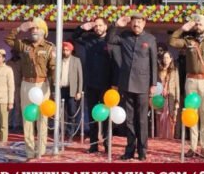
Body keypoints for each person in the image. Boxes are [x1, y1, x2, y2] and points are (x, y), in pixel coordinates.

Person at [169, 15, 204, 158]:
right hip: (191, 81)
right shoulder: (188, 41)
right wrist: (183, 28)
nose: (198, 26)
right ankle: (193, 147)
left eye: (201, 23)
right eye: (196, 24)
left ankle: (203, 146)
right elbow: (172, 41)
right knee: (191, 115)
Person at [108, 13, 157, 161]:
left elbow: (153, 62)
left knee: (142, 119)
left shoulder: (150, 39)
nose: (136, 25)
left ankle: (142, 151)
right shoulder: (124, 36)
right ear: (131, 24)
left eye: (139, 22)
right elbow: (109, 39)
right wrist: (116, 25)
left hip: (143, 84)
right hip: (127, 83)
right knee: (129, 119)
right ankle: (129, 150)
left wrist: (153, 84)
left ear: (144, 23)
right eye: (134, 22)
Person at [4, 18, 55, 160]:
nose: (34, 31)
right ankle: (29, 151)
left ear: (44, 31)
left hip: (42, 84)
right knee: (27, 118)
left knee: (42, 119)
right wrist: (20, 28)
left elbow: (53, 69)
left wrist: (54, 88)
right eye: (32, 29)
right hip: (26, 84)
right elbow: (8, 39)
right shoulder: (24, 45)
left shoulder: (49, 47)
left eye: (37, 28)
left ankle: (41, 150)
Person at [72, 18, 117, 153]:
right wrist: (82, 27)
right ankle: (93, 145)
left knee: (106, 117)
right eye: (95, 26)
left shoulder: (111, 40)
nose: (97, 28)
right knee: (92, 116)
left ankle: (107, 144)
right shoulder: (89, 38)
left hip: (107, 85)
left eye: (100, 25)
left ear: (106, 26)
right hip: (91, 83)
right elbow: (74, 37)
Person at [60, 42, 83, 141]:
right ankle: (60, 132)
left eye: (67, 50)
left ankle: (70, 134)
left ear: (71, 50)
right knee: (60, 113)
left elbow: (80, 77)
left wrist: (79, 91)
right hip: (61, 89)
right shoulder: (58, 60)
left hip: (72, 90)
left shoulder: (76, 60)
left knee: (71, 112)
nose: (65, 52)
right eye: (64, 50)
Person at [156, 51, 180, 139]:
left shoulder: (174, 71)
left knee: (171, 118)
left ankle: (170, 138)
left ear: (171, 59)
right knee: (160, 118)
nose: (165, 59)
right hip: (160, 97)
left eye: (167, 58)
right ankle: (160, 136)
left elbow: (177, 86)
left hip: (171, 97)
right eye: (164, 58)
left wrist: (177, 101)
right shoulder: (159, 70)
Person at [7, 49, 22, 131]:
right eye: (13, 52)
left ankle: (17, 124)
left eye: (16, 51)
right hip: (9, 87)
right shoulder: (8, 63)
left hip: (19, 86)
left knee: (18, 107)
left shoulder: (22, 62)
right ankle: (8, 124)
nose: (14, 53)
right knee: (9, 106)